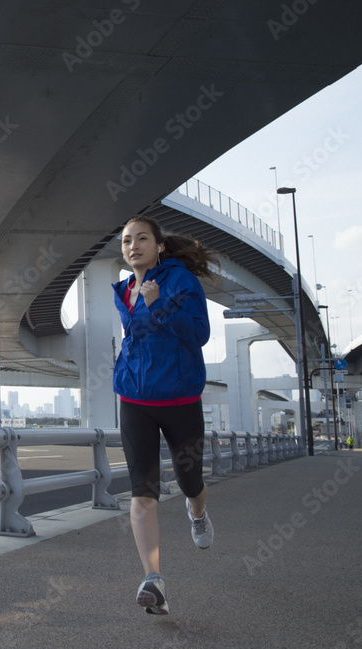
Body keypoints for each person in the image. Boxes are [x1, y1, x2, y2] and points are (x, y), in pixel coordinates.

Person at [112, 215, 218, 615]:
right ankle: (153, 580)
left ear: (159, 246)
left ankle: (198, 512)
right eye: (126, 241)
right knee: (143, 493)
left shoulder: (181, 282)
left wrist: (159, 306)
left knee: (191, 481)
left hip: (179, 398)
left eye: (141, 238)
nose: (133, 245)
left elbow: (199, 335)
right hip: (136, 399)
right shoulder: (124, 290)